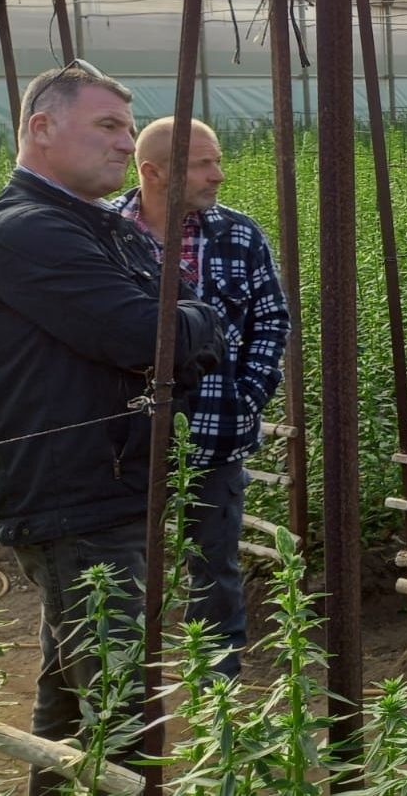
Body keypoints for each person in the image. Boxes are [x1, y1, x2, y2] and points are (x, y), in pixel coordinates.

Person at [0, 62, 224, 795]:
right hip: (74, 496)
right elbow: (154, 333)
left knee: (75, 701)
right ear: (42, 128)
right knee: (124, 712)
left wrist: (182, 328)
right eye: (108, 126)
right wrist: (181, 330)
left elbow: (181, 317)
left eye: (126, 127)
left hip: (102, 487)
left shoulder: (94, 226)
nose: (125, 143)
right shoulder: (27, 234)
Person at [112, 117, 290, 678]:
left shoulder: (237, 235)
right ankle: (121, 686)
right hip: (120, 444)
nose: (219, 174)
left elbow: (272, 321)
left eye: (217, 160)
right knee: (115, 568)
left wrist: (247, 396)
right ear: (154, 172)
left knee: (214, 566)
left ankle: (218, 695)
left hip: (216, 436)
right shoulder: (104, 232)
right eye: (203, 163)